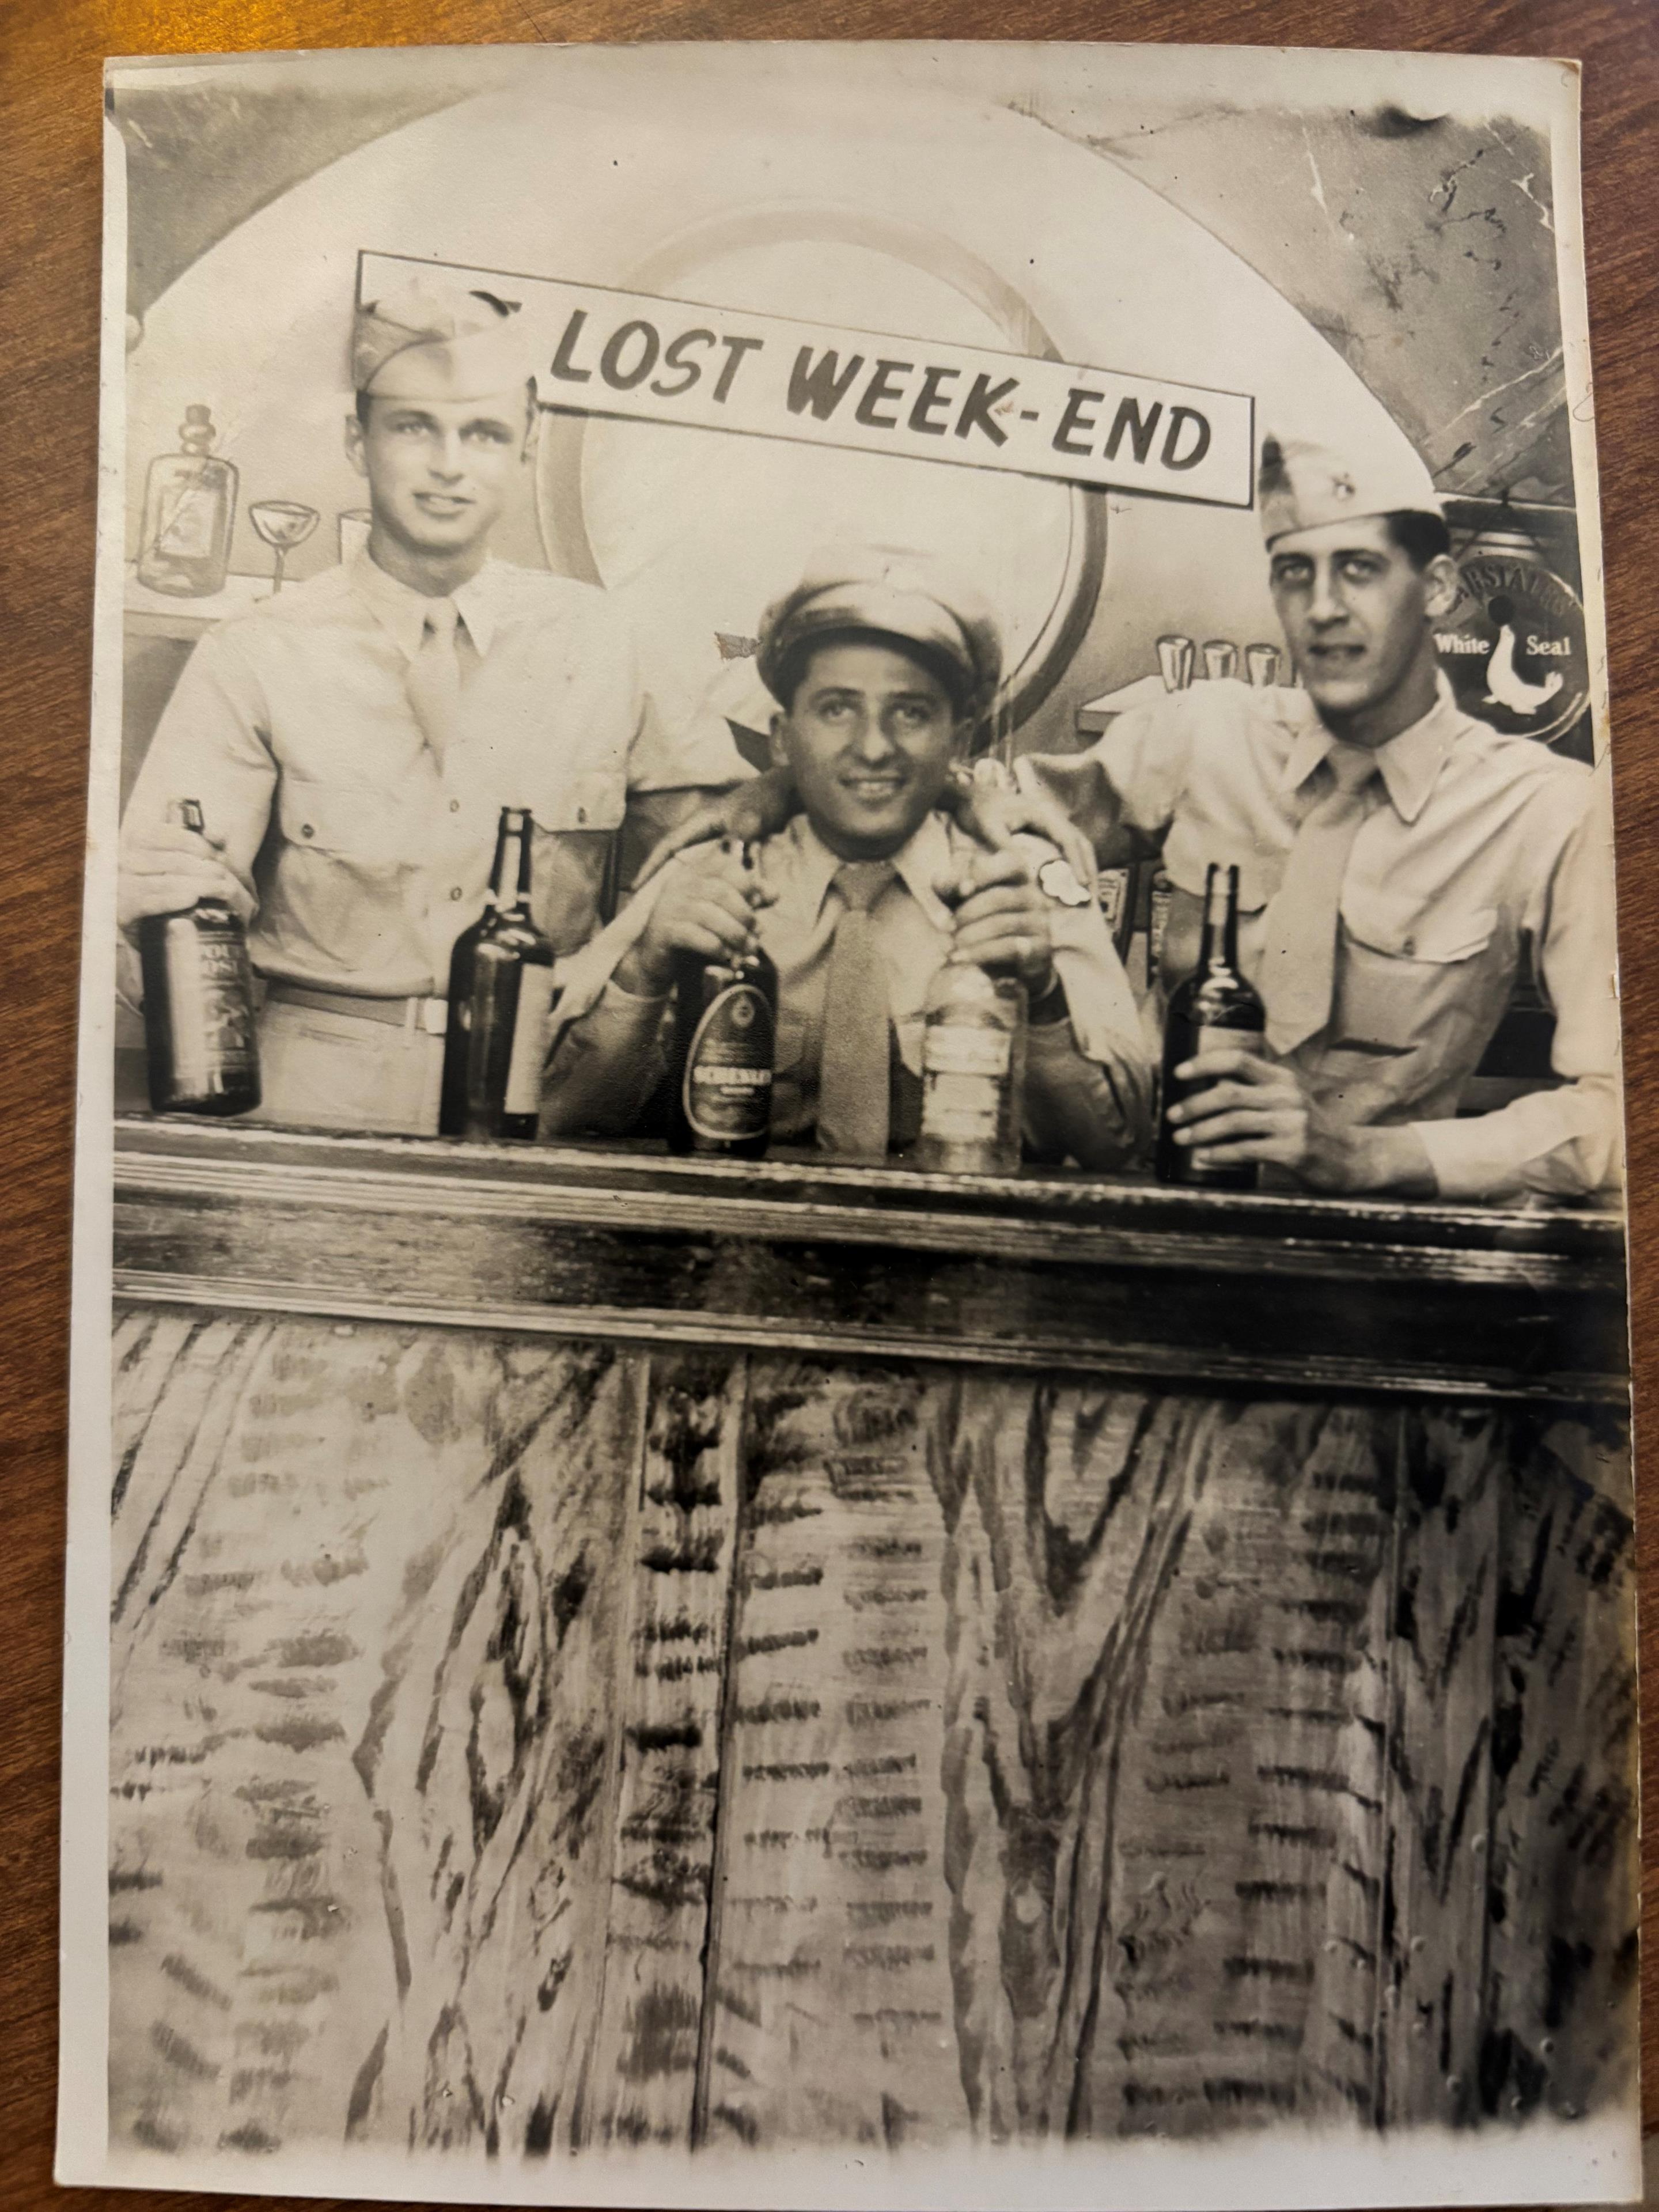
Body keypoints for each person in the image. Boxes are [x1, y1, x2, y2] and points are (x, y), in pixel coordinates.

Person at [118, 278, 751, 1135]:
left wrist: (618, 959)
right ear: (358, 440)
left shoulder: (608, 642)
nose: (450, 464)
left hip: (548, 1084)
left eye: (483, 433)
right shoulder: (257, 651)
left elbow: (716, 847)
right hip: (313, 1097)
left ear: (526, 447)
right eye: (414, 427)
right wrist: (150, 906)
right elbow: (166, 921)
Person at [544, 548, 1152, 1168]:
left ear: (958, 740)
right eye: (837, 709)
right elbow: (555, 1115)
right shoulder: (712, 872)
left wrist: (1043, 1001)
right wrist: (643, 973)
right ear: (784, 739)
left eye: (911, 713)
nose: (874, 747)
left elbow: (1117, 1148)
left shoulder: (1024, 880)